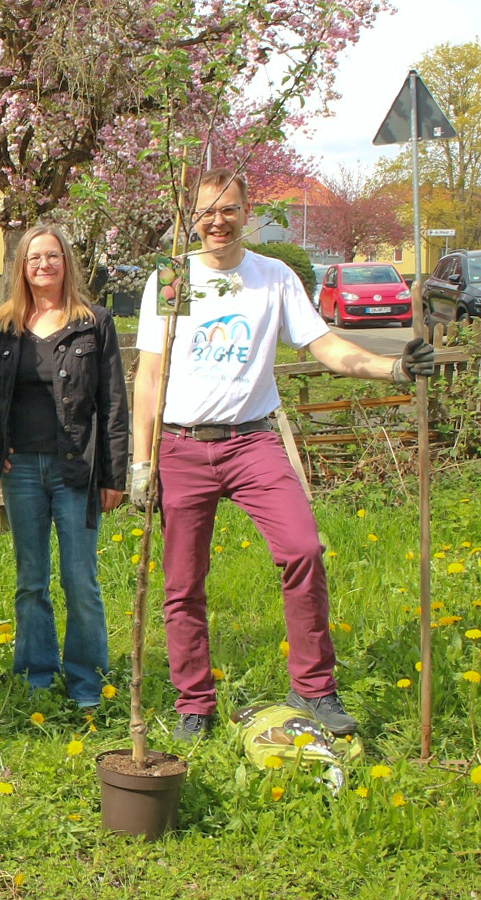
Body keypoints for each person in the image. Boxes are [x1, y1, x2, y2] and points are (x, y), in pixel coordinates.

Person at [130, 169, 435, 741]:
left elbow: (325, 346)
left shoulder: (273, 277)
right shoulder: (173, 277)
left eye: (228, 210)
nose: (216, 222)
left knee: (303, 549)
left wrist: (391, 366)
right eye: (205, 212)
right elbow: (149, 375)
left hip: (252, 441)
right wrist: (141, 462)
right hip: (181, 445)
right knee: (182, 582)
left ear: (248, 213)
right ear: (189, 218)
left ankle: (313, 689)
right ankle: (194, 703)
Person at [0, 224, 129, 707]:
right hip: (22, 473)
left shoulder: (93, 322)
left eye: (53, 256)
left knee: (80, 580)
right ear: (21, 266)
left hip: (76, 471)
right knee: (30, 579)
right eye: (34, 257)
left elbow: (114, 402)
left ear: (66, 263)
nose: (44, 265)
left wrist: (114, 475)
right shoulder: (2, 326)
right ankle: (36, 677)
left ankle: (86, 681)